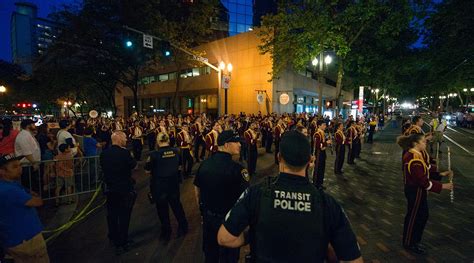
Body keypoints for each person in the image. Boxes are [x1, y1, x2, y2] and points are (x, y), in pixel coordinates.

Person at [217, 131, 362, 262]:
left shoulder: (256, 193)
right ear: (311, 160)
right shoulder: (327, 203)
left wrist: (251, 235)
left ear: (279, 157)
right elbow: (353, 259)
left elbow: (225, 238)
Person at [194, 130, 249, 263]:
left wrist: (203, 213)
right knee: (229, 257)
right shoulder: (238, 169)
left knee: (210, 254)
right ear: (226, 145)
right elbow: (246, 200)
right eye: (236, 142)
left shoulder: (204, 164)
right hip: (229, 223)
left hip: (209, 218)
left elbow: (197, 190)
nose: (239, 145)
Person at [397, 133, 453, 254]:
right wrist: (443, 186)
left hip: (417, 190)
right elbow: (423, 181)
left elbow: (425, 170)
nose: (425, 143)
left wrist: (441, 174)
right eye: (423, 141)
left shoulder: (416, 155)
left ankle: (415, 241)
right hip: (415, 191)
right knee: (414, 217)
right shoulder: (413, 158)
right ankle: (409, 243)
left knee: (421, 215)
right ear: (416, 144)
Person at [0, 153, 50, 263]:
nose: (20, 169)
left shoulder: (10, 185)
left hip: (12, 238)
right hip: (27, 240)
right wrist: (32, 194)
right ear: (2, 171)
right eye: (14, 167)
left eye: (19, 165)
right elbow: (38, 201)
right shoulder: (10, 190)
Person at [145, 132, 188, 241]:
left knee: (162, 210)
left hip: (159, 186)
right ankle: (183, 227)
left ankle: (166, 231)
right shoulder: (176, 151)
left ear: (158, 142)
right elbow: (179, 166)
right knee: (177, 206)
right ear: (168, 140)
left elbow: (147, 170)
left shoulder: (153, 155)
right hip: (173, 184)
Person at [100, 131, 137, 255]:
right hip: (124, 189)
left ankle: (113, 237)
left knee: (112, 215)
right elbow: (133, 165)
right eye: (125, 138)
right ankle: (123, 241)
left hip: (110, 189)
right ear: (119, 139)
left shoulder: (104, 154)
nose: (126, 140)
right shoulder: (125, 153)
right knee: (124, 215)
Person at [15, 119, 41, 193]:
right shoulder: (23, 136)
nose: (35, 126)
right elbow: (27, 152)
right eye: (33, 124)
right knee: (30, 186)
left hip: (30, 165)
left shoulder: (28, 134)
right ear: (28, 126)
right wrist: (34, 163)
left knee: (33, 185)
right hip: (27, 166)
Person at [313, 120, 331, 189]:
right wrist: (326, 143)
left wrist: (326, 141)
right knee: (318, 168)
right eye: (323, 125)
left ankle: (320, 183)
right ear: (319, 126)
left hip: (322, 153)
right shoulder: (317, 134)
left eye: (325, 125)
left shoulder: (322, 133)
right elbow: (318, 145)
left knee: (322, 168)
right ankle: (316, 184)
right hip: (318, 154)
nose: (325, 126)